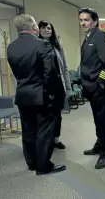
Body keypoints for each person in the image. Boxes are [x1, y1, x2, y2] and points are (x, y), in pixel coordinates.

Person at [7, 14, 66, 175]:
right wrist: (53, 94)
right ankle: (43, 165)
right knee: (44, 131)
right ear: (33, 27)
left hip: (23, 95)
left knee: (28, 130)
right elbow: (50, 73)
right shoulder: (43, 45)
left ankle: (32, 163)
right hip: (42, 95)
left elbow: (17, 73)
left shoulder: (11, 47)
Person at [78, 7, 105, 169]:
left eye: (86, 20)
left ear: (95, 21)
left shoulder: (100, 36)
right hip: (90, 88)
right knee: (98, 120)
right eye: (80, 20)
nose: (83, 23)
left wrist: (100, 85)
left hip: (101, 89)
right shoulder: (88, 38)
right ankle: (99, 144)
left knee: (103, 121)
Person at [38, 20, 71, 150]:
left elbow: (65, 68)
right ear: (39, 30)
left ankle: (56, 139)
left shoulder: (57, 46)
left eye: (49, 28)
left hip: (58, 86)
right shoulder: (38, 46)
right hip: (44, 87)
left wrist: (68, 87)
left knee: (57, 115)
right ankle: (46, 141)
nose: (47, 30)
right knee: (46, 116)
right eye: (44, 28)